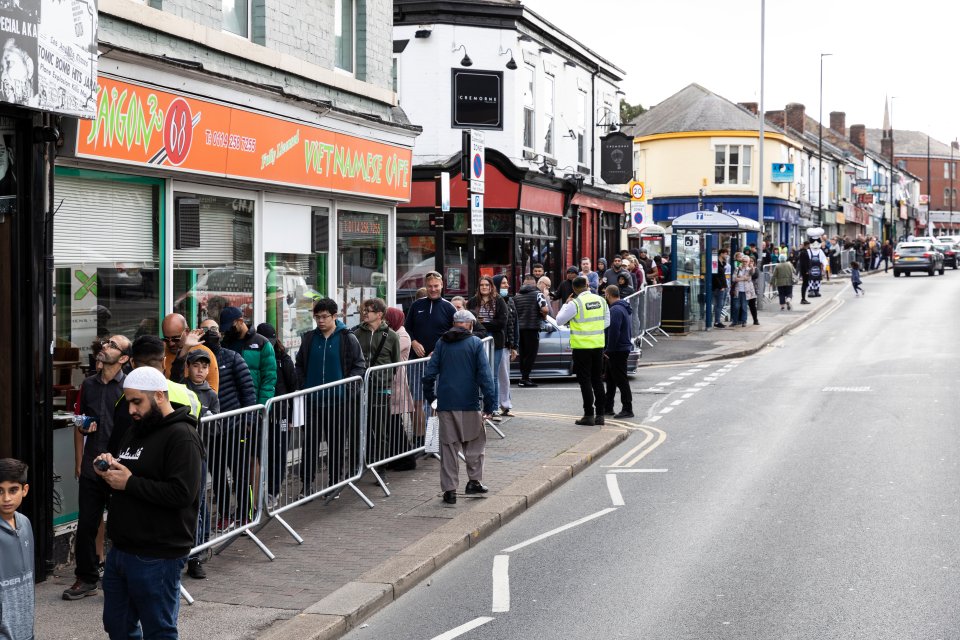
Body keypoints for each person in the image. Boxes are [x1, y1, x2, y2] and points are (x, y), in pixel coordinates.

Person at [96, 366, 204, 640]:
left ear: (158, 396)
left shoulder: (182, 436)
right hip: (122, 549)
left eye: (136, 401)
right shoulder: (136, 429)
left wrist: (129, 482)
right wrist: (110, 469)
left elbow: (182, 493)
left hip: (157, 553)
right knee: (117, 625)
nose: (131, 409)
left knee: (159, 631)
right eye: (128, 401)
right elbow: (129, 474)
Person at [64, 334, 131, 601]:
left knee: (121, 526)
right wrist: (79, 456)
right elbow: (82, 420)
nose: (105, 346)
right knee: (87, 524)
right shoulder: (89, 384)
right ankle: (86, 577)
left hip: (119, 467)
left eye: (113, 345)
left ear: (124, 358)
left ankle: (121, 578)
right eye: (106, 342)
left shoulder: (129, 386)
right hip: (93, 464)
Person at [421, 309, 496, 505]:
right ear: (470, 324)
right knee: (475, 444)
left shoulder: (441, 343)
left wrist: (432, 398)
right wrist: (490, 404)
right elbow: (485, 377)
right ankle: (474, 481)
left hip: (446, 403)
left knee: (448, 448)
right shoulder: (475, 344)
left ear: (455, 323)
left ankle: (450, 491)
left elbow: (429, 374)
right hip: (469, 402)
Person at [295, 298, 365, 496]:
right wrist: (304, 385)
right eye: (317, 317)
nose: (320, 321)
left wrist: (346, 389)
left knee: (336, 444)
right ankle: (306, 484)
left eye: (324, 316)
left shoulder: (347, 338)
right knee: (310, 445)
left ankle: (335, 484)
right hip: (313, 401)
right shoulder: (309, 338)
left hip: (338, 402)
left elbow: (359, 366)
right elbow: (299, 364)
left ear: (335, 316)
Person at [182, 350, 219, 581]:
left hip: (199, 453)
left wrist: (204, 419)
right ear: (189, 367)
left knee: (199, 501)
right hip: (179, 454)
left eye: (204, 367)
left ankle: (197, 554)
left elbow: (217, 426)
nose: (200, 370)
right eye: (196, 366)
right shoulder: (180, 388)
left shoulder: (211, 395)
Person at [405, 271, 457, 433]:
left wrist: (438, 350)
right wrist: (413, 342)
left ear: (442, 285)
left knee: (433, 401)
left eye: (436, 286)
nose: (433, 289)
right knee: (417, 401)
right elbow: (407, 328)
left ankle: (433, 439)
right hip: (416, 361)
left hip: (439, 363)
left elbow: (454, 333)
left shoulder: (449, 308)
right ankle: (419, 439)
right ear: (425, 286)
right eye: (430, 286)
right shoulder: (416, 305)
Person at [353, 298, 401, 472]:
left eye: (369, 311)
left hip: (381, 389)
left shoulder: (391, 336)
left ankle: (380, 466)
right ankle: (361, 463)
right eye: (363, 310)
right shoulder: (357, 334)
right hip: (360, 388)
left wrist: (384, 379)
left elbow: (395, 363)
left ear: (379, 314)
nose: (365, 313)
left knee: (380, 429)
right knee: (359, 427)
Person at [556, 276, 609, 426]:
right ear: (587, 285)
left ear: (573, 289)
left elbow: (559, 320)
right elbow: (607, 322)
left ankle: (588, 415)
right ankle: (600, 415)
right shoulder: (601, 300)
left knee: (585, 381)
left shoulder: (575, 303)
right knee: (597, 380)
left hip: (581, 348)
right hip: (598, 346)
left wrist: (566, 304)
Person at [256, 322, 297, 507]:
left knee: (278, 453)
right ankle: (259, 492)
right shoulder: (255, 358)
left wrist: (292, 418)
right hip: (261, 415)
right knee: (259, 454)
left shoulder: (284, 360)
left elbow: (293, 389)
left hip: (281, 415)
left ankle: (274, 490)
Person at [0, 458, 33, 640]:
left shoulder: (25, 524)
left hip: (24, 628)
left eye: (13, 490)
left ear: (24, 490)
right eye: (0, 491)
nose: (6, 498)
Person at [220, 306, 277, 405]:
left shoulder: (262, 343)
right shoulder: (224, 344)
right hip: (230, 404)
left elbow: (269, 379)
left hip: (252, 403)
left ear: (240, 321)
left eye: (230, 326)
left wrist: (262, 407)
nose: (228, 330)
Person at [384, 307, 417, 471]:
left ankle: (405, 458)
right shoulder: (392, 334)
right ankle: (397, 458)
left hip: (395, 383)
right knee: (391, 423)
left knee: (394, 423)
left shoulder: (401, 336)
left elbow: (388, 354)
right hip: (388, 382)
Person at [466, 276, 508, 406]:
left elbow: (501, 323)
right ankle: (476, 406)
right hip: (477, 339)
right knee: (476, 374)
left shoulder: (499, 301)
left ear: (491, 286)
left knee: (492, 376)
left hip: (496, 341)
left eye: (487, 285)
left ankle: (493, 407)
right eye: (482, 285)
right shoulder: (473, 301)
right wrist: (484, 324)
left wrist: (483, 323)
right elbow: (470, 322)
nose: (484, 287)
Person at [161, 313, 219, 392]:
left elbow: (212, 393)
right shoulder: (159, 351)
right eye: (166, 339)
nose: (171, 343)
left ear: (187, 331)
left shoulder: (205, 353)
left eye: (176, 339)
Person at [603, 285, 633, 419]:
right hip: (621, 348)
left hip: (617, 350)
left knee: (621, 380)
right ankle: (608, 407)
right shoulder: (623, 307)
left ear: (608, 295)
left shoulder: (615, 310)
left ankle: (627, 408)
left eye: (605, 294)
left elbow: (614, 331)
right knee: (610, 379)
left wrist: (609, 349)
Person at [514, 274, 548, 387]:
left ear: (523, 284)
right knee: (531, 354)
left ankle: (523, 378)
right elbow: (544, 309)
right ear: (534, 284)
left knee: (523, 354)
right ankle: (525, 378)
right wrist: (544, 317)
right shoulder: (538, 294)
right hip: (532, 329)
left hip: (519, 329)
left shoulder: (516, 296)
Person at [493, 275, 518, 418]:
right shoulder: (494, 301)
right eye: (503, 283)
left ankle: (505, 405)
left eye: (507, 283)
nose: (507, 286)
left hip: (506, 345)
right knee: (496, 376)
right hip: (496, 343)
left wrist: (514, 345)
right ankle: (497, 405)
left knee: (504, 376)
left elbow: (514, 324)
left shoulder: (510, 301)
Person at [712, 248, 729, 328]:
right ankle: (717, 321)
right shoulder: (715, 263)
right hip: (719, 287)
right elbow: (715, 276)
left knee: (721, 305)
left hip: (723, 286)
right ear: (721, 254)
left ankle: (717, 320)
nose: (726, 255)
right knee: (719, 304)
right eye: (725, 253)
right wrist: (721, 286)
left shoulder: (723, 263)